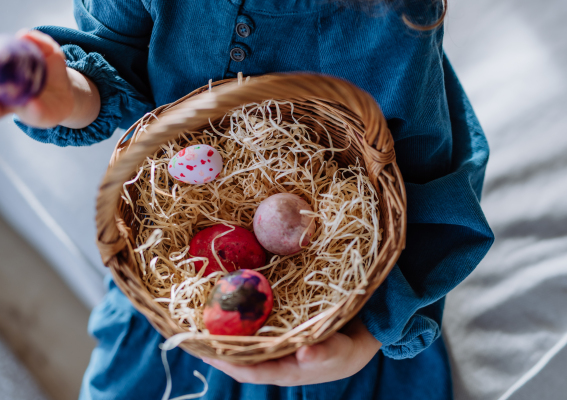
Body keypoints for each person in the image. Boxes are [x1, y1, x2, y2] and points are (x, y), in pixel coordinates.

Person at [0, 0, 494, 398]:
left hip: (335, 313)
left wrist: (362, 344)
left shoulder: (391, 15)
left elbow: (431, 183)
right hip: (177, 293)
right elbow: (113, 59)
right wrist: (64, 94)